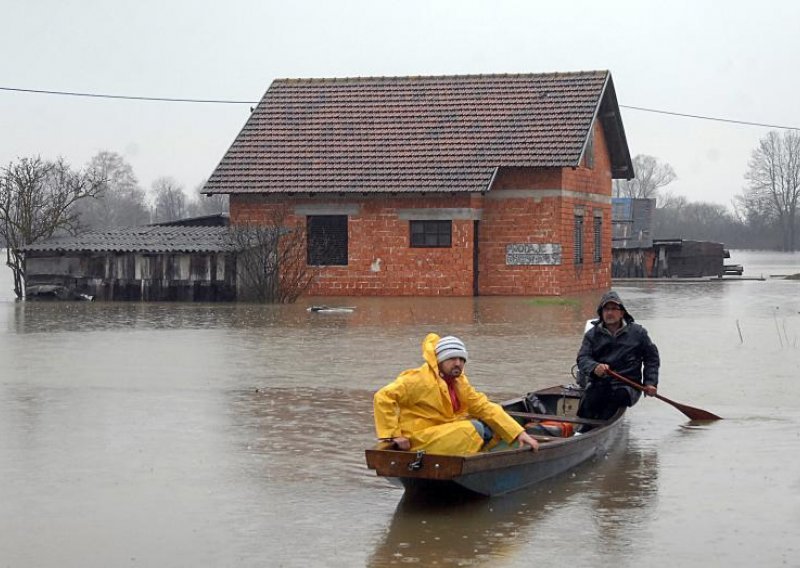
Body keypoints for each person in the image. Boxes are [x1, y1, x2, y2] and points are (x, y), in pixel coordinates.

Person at [373, 333, 539, 455]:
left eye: (461, 359)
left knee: (491, 425)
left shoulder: (459, 382)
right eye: (452, 359)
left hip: (440, 433)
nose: (458, 363)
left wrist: (519, 433)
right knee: (476, 429)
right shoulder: (419, 380)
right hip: (417, 439)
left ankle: (475, 462)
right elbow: (383, 397)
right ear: (440, 361)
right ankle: (470, 461)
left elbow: (483, 407)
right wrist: (392, 436)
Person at [576, 291, 660, 420]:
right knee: (592, 396)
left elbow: (651, 358)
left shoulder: (638, 333)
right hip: (600, 382)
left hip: (628, 384)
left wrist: (650, 382)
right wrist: (594, 367)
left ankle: (600, 425)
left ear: (622, 313)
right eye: (606, 309)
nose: (610, 313)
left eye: (614, 309)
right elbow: (583, 358)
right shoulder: (592, 335)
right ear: (601, 313)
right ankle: (583, 428)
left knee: (618, 396)